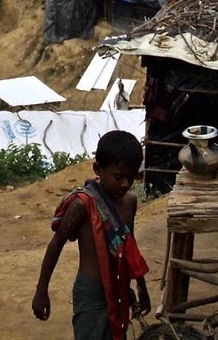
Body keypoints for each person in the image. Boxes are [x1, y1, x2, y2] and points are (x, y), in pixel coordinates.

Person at [32, 130, 150, 340]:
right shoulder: (83, 205)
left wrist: (140, 286)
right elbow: (56, 244)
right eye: (119, 176)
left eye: (131, 178)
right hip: (91, 294)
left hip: (119, 288)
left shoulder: (129, 202)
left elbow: (129, 246)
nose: (125, 184)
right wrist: (41, 290)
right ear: (98, 169)